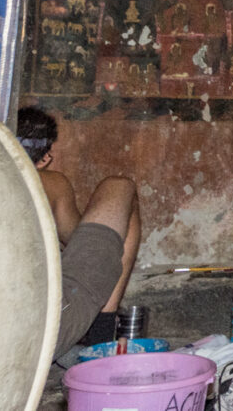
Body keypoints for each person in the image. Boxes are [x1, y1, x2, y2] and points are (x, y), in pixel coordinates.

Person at [16, 105, 143, 350]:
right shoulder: (51, 182)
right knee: (120, 187)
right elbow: (83, 248)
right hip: (39, 331)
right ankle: (101, 333)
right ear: (45, 158)